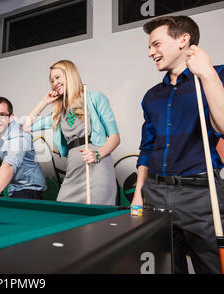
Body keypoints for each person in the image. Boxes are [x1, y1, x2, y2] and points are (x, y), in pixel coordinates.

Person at [130, 15, 224, 274]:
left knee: (211, 268)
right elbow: (146, 148)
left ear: (184, 40)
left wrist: (205, 73)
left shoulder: (218, 75)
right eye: (149, 47)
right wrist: (139, 192)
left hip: (201, 195)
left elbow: (223, 126)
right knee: (164, 267)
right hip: (155, 193)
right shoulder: (152, 96)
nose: (150, 53)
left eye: (156, 44)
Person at [22, 60, 120, 205]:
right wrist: (44, 102)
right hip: (74, 168)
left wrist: (97, 154)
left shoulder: (95, 98)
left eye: (58, 77)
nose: (55, 82)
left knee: (97, 221)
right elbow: (26, 127)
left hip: (97, 166)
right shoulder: (58, 113)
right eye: (52, 80)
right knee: (64, 213)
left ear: (70, 75)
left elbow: (115, 137)